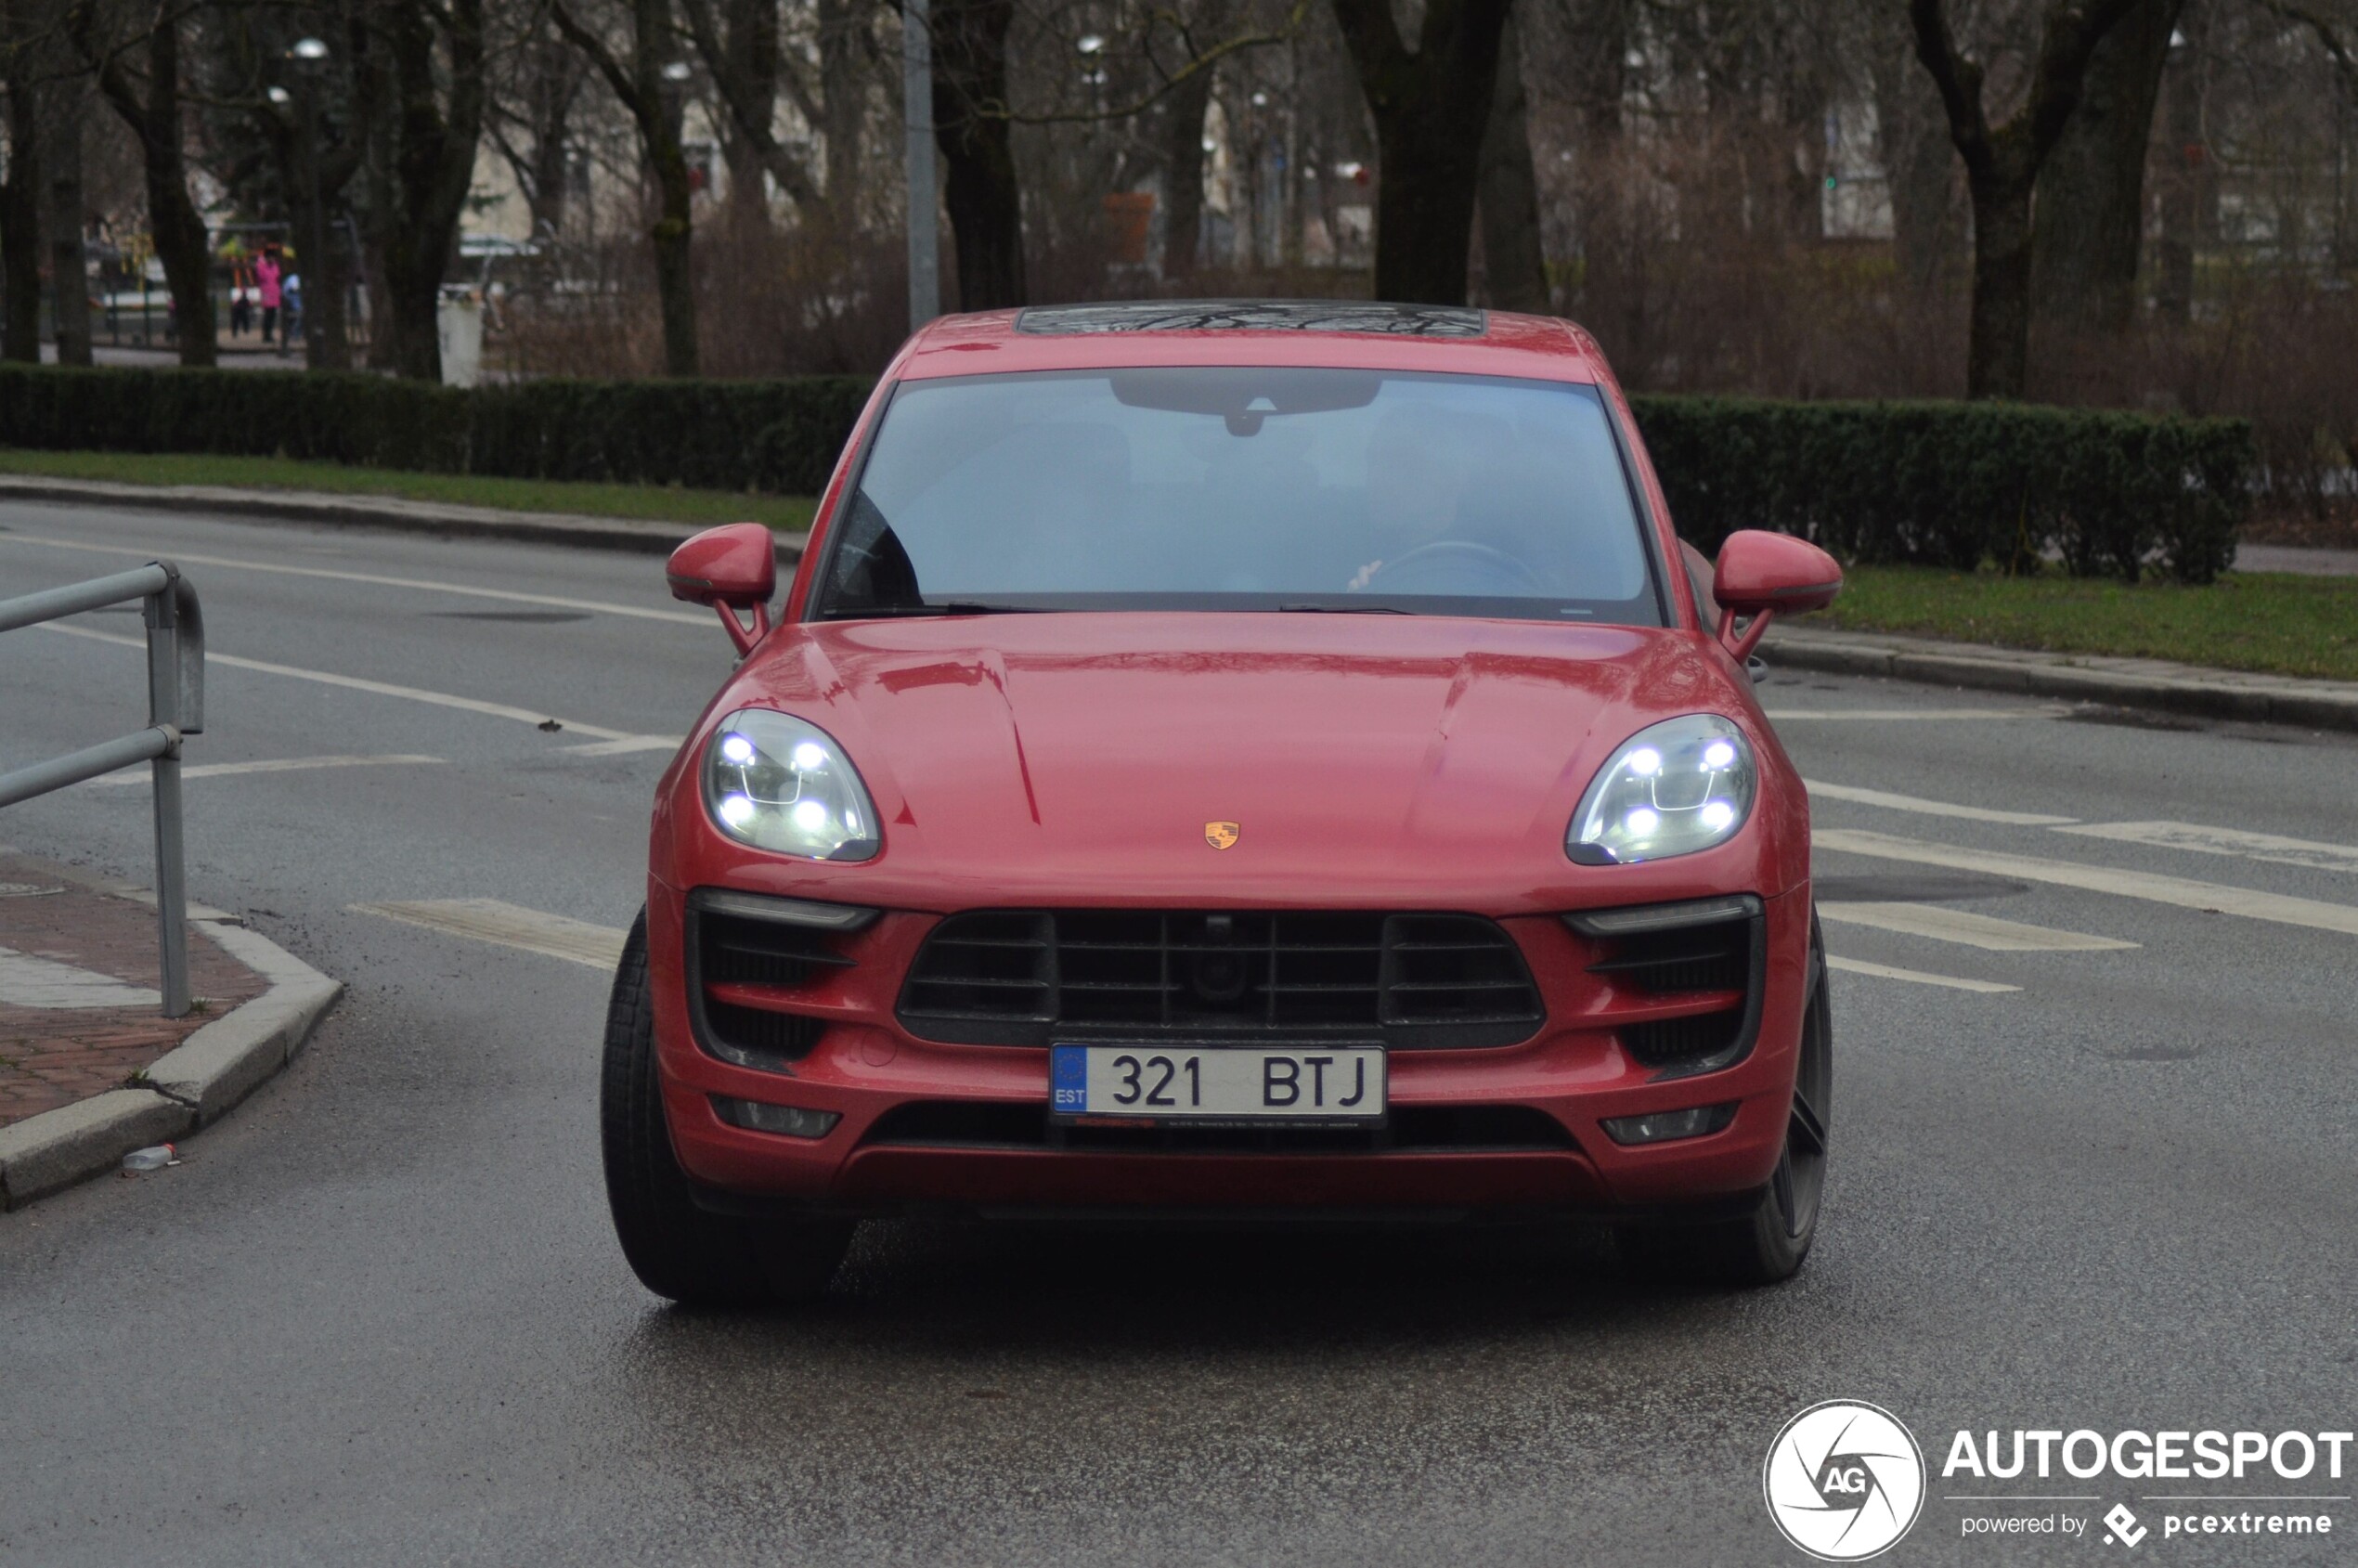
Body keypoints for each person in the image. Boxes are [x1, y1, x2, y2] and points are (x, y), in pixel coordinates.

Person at [254, 248, 282, 345]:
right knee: (268, 314)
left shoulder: (275, 266)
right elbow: (261, 277)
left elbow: (277, 276)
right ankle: (266, 335)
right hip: (266, 292)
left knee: (272, 314)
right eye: (270, 257)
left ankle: (269, 334)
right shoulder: (261, 266)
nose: (272, 259)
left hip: (274, 292)